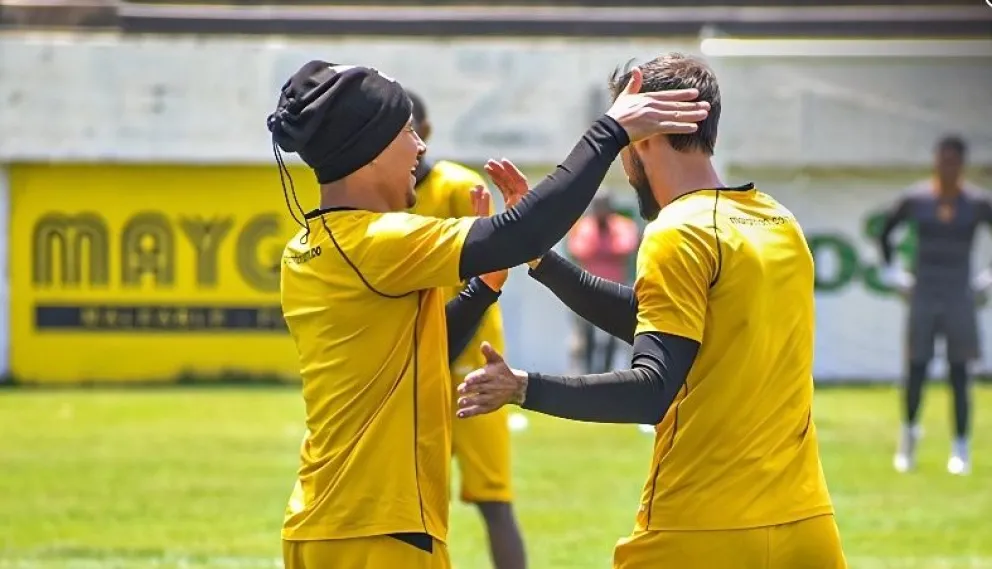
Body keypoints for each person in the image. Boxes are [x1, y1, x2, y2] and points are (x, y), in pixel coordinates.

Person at [266, 60, 709, 569]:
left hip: (326, 524)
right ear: (367, 151)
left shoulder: (310, 246)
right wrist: (612, 132)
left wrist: (483, 286)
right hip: (377, 532)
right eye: (407, 131)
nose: (421, 147)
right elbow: (521, 231)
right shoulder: (373, 242)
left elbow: (426, 352)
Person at [457, 53, 845, 569]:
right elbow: (660, 325)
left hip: (700, 530)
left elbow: (651, 391)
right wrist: (539, 258)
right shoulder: (777, 221)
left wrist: (522, 387)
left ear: (642, 132)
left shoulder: (676, 230)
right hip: (806, 528)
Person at [404, 89, 528, 569]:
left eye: (413, 130)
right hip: (417, 369)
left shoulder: (457, 187)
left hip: (473, 368)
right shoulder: (386, 197)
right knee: (408, 502)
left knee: (494, 499)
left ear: (428, 133)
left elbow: (486, 273)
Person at [878, 135, 991, 476]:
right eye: (943, 160)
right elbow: (885, 234)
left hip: (959, 294)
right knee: (917, 368)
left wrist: (988, 278)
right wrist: (894, 274)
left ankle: (960, 447)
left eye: (954, 162)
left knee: (960, 372)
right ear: (935, 162)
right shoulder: (916, 199)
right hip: (924, 291)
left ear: (962, 165)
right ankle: (908, 439)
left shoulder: (976, 202)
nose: (947, 167)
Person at [566, 194, 640, 373]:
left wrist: (598, 249)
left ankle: (607, 374)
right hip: (587, 293)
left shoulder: (622, 225)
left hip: (614, 291)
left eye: (603, 207)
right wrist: (607, 249)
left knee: (614, 337)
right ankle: (587, 375)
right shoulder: (584, 226)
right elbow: (577, 249)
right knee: (585, 337)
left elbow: (627, 246)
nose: (600, 212)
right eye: (597, 207)